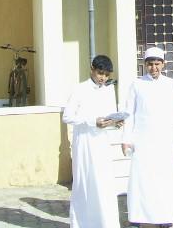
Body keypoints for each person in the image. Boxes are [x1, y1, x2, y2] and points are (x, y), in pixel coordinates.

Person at [121, 46, 173, 228]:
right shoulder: (136, 84)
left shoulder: (171, 84)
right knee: (142, 180)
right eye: (150, 64)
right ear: (145, 65)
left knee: (166, 180)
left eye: (157, 64)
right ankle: (139, 217)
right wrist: (126, 139)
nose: (154, 68)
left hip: (167, 141)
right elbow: (129, 114)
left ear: (163, 64)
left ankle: (165, 217)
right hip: (143, 141)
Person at [62, 54, 123, 228]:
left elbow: (109, 115)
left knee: (104, 183)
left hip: (102, 143)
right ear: (92, 70)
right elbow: (67, 117)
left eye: (106, 75)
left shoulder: (108, 90)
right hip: (84, 142)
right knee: (84, 182)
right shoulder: (79, 89)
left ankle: (105, 223)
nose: (103, 78)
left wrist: (115, 123)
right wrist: (91, 121)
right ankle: (83, 223)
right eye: (100, 73)